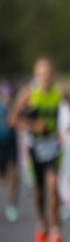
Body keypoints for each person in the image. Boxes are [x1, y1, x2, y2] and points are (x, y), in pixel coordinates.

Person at [10, 57, 70, 242]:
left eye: (48, 74)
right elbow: (13, 120)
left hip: (53, 145)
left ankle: (56, 230)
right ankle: (42, 222)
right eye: (41, 75)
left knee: (54, 186)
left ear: (53, 74)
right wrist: (32, 125)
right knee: (39, 191)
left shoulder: (60, 92)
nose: (45, 78)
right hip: (34, 147)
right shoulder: (29, 93)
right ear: (36, 75)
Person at [0, 82, 20, 222]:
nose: (8, 98)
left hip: (12, 146)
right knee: (3, 178)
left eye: (10, 95)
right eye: (6, 95)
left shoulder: (16, 108)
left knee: (15, 176)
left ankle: (12, 205)